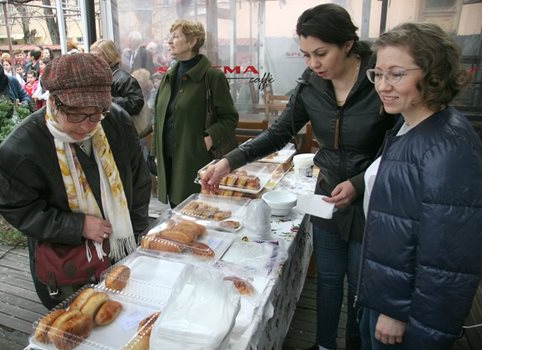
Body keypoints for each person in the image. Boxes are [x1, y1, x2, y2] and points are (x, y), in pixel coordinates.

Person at [201, 4, 395, 350]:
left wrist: (361, 182)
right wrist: (229, 161)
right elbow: (277, 133)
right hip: (325, 197)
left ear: (348, 44)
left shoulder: (379, 82)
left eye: (321, 53)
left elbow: (396, 150)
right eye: (306, 55)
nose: (313, 64)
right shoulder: (311, 85)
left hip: (371, 198)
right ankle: (323, 345)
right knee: (329, 279)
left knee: (361, 287)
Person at [356, 22, 481, 350]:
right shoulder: (411, 124)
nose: (383, 86)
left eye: (396, 74)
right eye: (378, 74)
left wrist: (396, 310)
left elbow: (446, 256)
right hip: (387, 293)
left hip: (404, 314)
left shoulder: (445, 148)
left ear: (433, 75)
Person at [0, 53, 152, 309]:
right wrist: (75, 226)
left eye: (96, 114)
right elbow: (16, 207)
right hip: (67, 267)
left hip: (123, 254)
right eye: (76, 114)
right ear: (54, 102)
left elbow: (139, 182)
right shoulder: (22, 147)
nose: (87, 125)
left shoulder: (117, 122)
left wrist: (135, 238)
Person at [153, 19, 238, 208]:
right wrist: (155, 153)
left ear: (192, 42)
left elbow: (230, 117)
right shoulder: (168, 76)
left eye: (175, 36)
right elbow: (159, 118)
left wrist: (208, 139)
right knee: (176, 213)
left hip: (196, 161)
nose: (169, 41)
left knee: (197, 212)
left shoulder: (212, 77)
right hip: (168, 162)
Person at [90, 39, 145, 116]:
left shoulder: (123, 78)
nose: (92, 60)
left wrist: (109, 99)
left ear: (109, 56)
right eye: (91, 56)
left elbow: (136, 104)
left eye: (96, 56)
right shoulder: (100, 77)